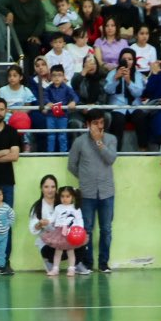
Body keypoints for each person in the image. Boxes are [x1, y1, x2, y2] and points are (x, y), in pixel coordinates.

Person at [65, 108, 117, 274]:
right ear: (87, 124)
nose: (99, 126)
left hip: (106, 192)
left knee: (106, 229)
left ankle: (104, 263)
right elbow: (71, 165)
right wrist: (84, 178)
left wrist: (98, 142)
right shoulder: (79, 142)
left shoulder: (110, 139)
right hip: (86, 193)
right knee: (86, 228)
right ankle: (87, 263)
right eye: (95, 123)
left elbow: (111, 158)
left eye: (101, 122)